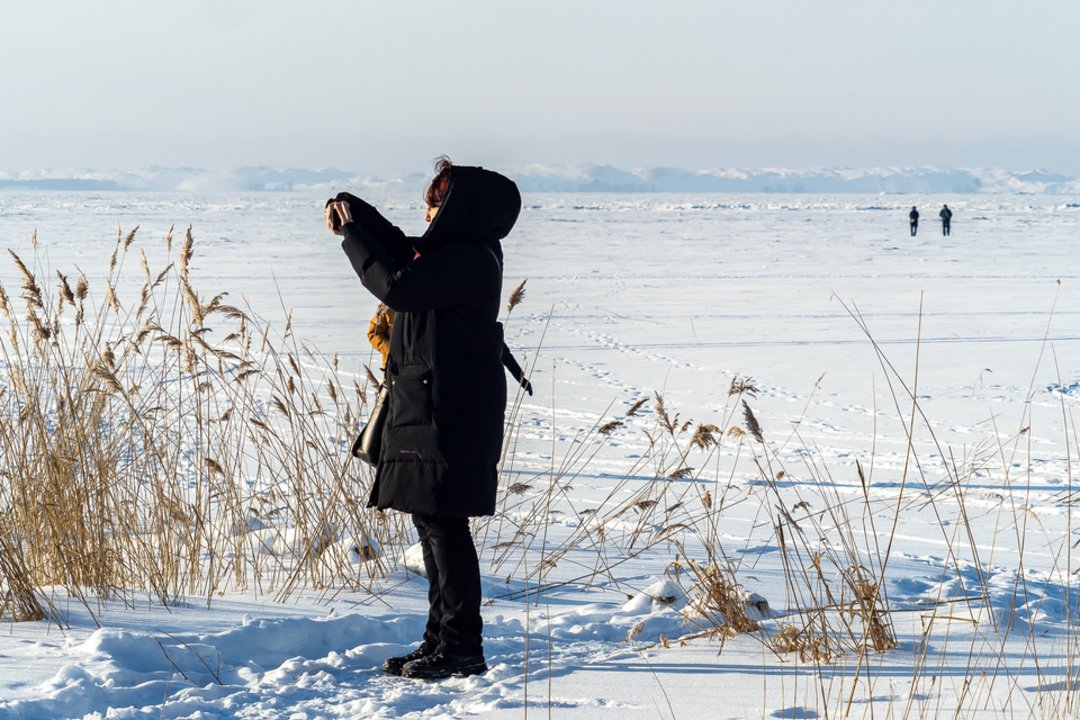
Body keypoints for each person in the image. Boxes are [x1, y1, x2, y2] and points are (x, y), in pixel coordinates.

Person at [326, 157, 521, 680]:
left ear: (461, 207)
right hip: (429, 406)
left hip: (451, 412)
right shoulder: (450, 252)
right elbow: (397, 248)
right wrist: (354, 214)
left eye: (437, 199)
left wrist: (352, 239)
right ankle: (439, 640)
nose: (428, 208)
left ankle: (461, 647)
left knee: (444, 524)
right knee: (431, 522)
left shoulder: (471, 260)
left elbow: (399, 284)